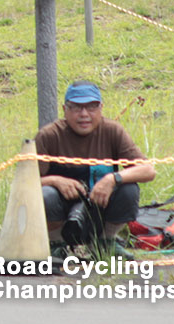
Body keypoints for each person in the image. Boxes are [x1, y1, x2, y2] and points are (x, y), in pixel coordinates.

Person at [36, 79, 155, 252]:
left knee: (129, 189)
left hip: (100, 208)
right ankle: (57, 244)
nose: (84, 114)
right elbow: (24, 183)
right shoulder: (49, 135)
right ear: (64, 110)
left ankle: (105, 242)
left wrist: (112, 179)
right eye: (76, 107)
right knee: (45, 195)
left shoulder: (112, 131)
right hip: (61, 210)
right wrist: (55, 181)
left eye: (91, 107)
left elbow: (148, 171)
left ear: (101, 108)